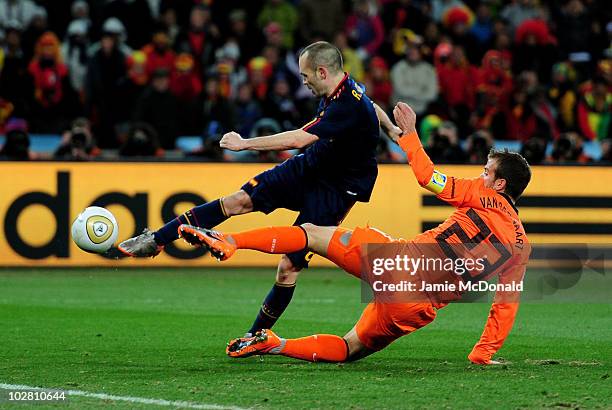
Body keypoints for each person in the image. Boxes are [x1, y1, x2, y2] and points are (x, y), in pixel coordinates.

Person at [178, 102, 532, 365]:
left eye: (486, 172)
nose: (480, 175)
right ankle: (274, 343)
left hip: (397, 263)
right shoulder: (521, 247)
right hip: (415, 308)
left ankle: (231, 240)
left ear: (500, 184)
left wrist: (408, 136)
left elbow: (429, 178)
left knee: (311, 232)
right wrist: (482, 354)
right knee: (351, 349)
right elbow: (505, 305)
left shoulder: (483, 194)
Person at [118, 41, 401, 338]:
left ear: (321, 72)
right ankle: (157, 239)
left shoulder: (346, 105)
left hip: (338, 188)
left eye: (305, 76)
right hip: (313, 166)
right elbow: (370, 104)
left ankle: (256, 337)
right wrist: (390, 128)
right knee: (238, 201)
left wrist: (244, 144)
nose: (303, 82)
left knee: (288, 268)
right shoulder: (347, 85)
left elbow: (298, 140)